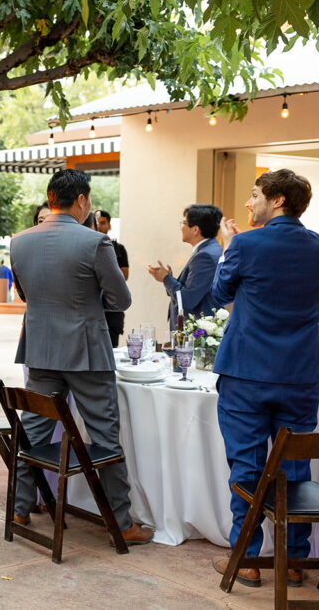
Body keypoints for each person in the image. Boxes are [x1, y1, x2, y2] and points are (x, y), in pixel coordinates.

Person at [8, 169, 153, 545]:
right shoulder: (96, 243)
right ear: (83, 200)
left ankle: (20, 508)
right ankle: (121, 523)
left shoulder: (19, 241)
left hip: (40, 351)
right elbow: (121, 300)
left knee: (33, 432)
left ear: (50, 197)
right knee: (105, 437)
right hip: (87, 352)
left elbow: (25, 295)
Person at [209, 169, 319, 587]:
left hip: (246, 374)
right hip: (301, 374)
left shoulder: (245, 243)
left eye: (254, 195)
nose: (248, 203)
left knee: (247, 469)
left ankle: (249, 560)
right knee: (295, 468)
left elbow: (219, 295)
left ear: (276, 201)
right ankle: (295, 562)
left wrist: (227, 247)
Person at [147, 204, 223, 333]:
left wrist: (166, 278)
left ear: (195, 230)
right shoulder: (208, 250)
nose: (181, 227)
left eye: (184, 223)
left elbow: (187, 299)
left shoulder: (205, 256)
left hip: (196, 332)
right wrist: (169, 278)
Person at [96, 210, 129, 347]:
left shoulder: (119, 249)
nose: (99, 226)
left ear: (109, 225)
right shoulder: (85, 248)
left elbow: (124, 276)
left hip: (112, 314)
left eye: (103, 223)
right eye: (96, 223)